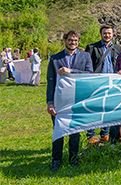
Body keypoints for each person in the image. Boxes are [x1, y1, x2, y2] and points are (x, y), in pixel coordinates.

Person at [46, 30, 93, 171]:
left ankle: (73, 158)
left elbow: (90, 74)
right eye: (70, 40)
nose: (73, 43)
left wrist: (71, 71)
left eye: (76, 41)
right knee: (58, 131)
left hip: (77, 99)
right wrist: (50, 102)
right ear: (65, 40)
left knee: (75, 131)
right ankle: (56, 160)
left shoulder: (85, 56)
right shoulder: (55, 58)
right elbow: (51, 81)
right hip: (59, 100)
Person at [84, 25, 121, 144]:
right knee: (94, 108)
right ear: (101, 34)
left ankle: (104, 134)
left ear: (113, 34)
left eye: (109, 33)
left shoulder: (118, 48)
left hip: (112, 83)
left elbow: (120, 64)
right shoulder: (92, 47)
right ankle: (91, 134)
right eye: (105, 33)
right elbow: (87, 64)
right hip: (96, 82)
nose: (107, 35)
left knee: (108, 108)